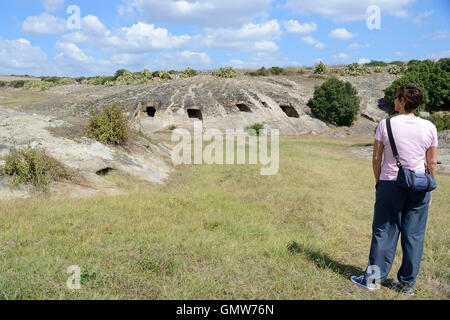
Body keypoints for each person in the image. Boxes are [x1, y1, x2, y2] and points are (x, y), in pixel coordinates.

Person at [350, 83, 439, 296]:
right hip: (419, 186)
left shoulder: (385, 124)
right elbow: (432, 163)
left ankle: (372, 280)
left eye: (396, 98)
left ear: (401, 101)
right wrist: (430, 189)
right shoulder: (429, 127)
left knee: (383, 232)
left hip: (390, 184)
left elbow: (376, 158)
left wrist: (379, 182)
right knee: (414, 235)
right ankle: (406, 284)